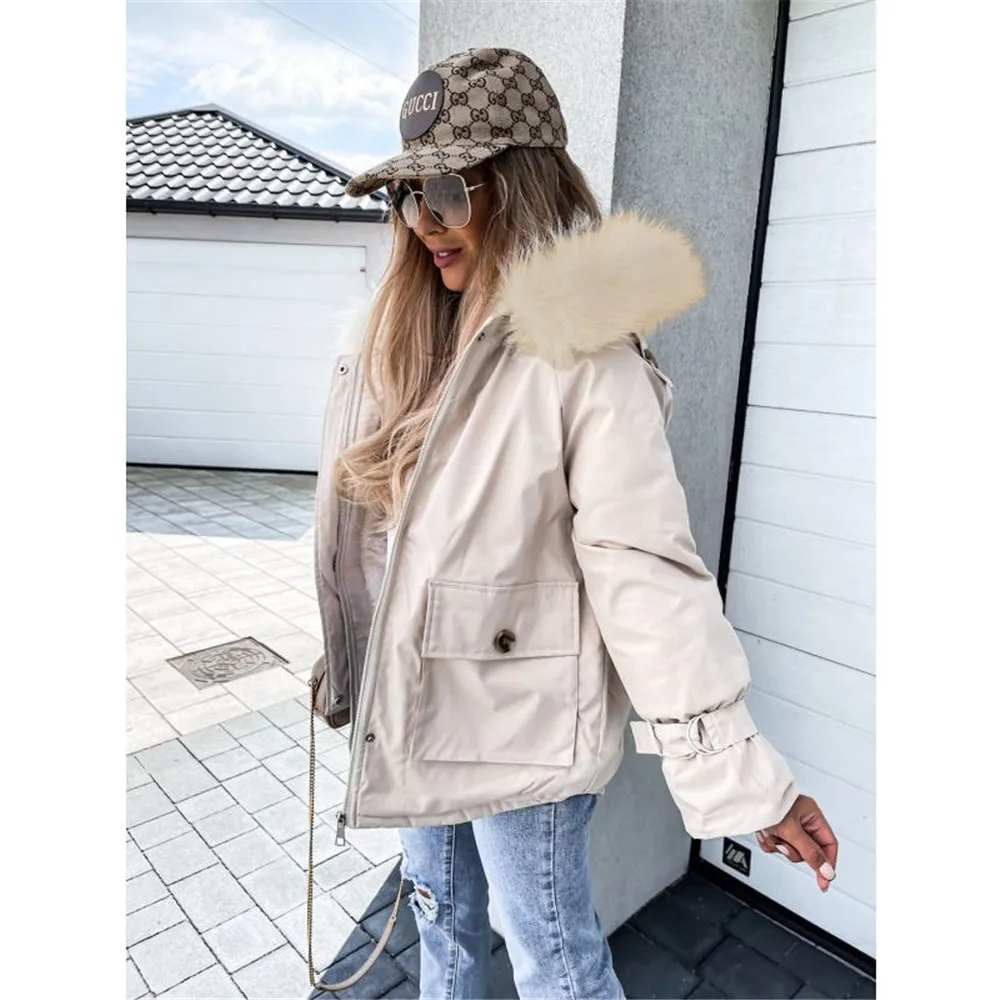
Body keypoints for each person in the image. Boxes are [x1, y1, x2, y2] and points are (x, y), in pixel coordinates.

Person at [308, 47, 838, 1000]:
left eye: (448, 192)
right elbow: (388, 543)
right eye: (408, 196)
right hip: (419, 702)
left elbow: (645, 574)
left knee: (552, 961)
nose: (423, 222)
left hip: (526, 732)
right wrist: (356, 653)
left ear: (519, 188)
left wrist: (741, 780)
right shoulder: (403, 338)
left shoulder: (588, 361)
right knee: (438, 920)